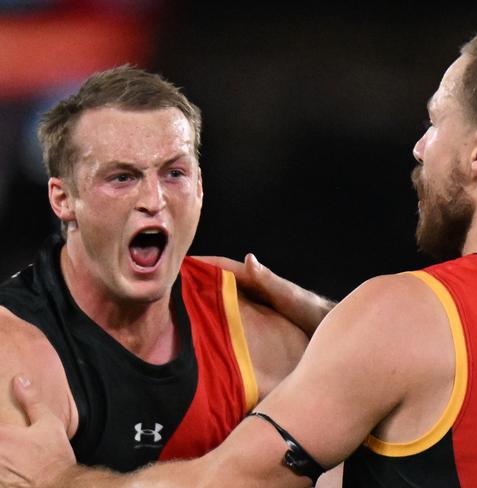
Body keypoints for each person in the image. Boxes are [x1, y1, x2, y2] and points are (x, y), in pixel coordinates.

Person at [2, 25, 477, 487]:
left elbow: (227, 481)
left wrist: (65, 478)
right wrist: (339, 326)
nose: (422, 147)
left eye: (436, 123)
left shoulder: (405, 314)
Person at [0, 66, 336, 483]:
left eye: (174, 174)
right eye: (122, 177)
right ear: (64, 198)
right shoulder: (14, 351)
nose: (153, 200)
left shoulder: (253, 330)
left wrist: (328, 318)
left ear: (200, 187)